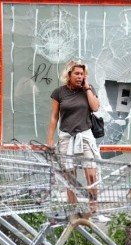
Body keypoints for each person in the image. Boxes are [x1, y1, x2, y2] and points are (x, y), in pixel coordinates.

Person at [46, 60, 101, 214]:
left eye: (82, 74)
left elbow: (95, 107)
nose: (79, 76)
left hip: (85, 136)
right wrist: (50, 139)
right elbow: (54, 117)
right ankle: (73, 210)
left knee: (91, 173)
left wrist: (87, 87)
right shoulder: (59, 92)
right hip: (66, 137)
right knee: (69, 176)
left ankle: (93, 207)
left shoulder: (88, 89)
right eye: (76, 73)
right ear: (69, 74)